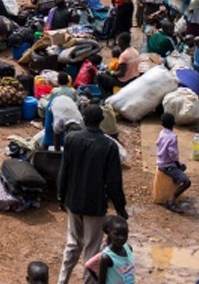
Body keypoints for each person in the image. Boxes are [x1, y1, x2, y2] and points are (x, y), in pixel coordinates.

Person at [57, 104, 127, 284]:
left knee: (72, 244)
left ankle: (62, 280)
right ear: (101, 121)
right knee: (92, 249)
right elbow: (113, 182)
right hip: (94, 205)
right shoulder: (108, 146)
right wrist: (120, 208)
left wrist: (61, 196)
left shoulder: (71, 139)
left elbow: (64, 171)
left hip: (73, 200)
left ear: (83, 119)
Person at [156, 112, 192, 213]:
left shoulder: (161, 133)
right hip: (167, 166)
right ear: (174, 123)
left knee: (181, 168)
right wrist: (178, 165)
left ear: (162, 124)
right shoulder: (172, 137)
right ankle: (171, 201)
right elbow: (173, 155)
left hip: (161, 162)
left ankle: (176, 179)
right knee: (187, 182)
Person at [84, 216, 135, 284]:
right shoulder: (107, 257)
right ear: (109, 233)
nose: (121, 238)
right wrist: (97, 280)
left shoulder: (129, 249)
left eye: (124, 234)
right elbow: (88, 265)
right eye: (117, 234)